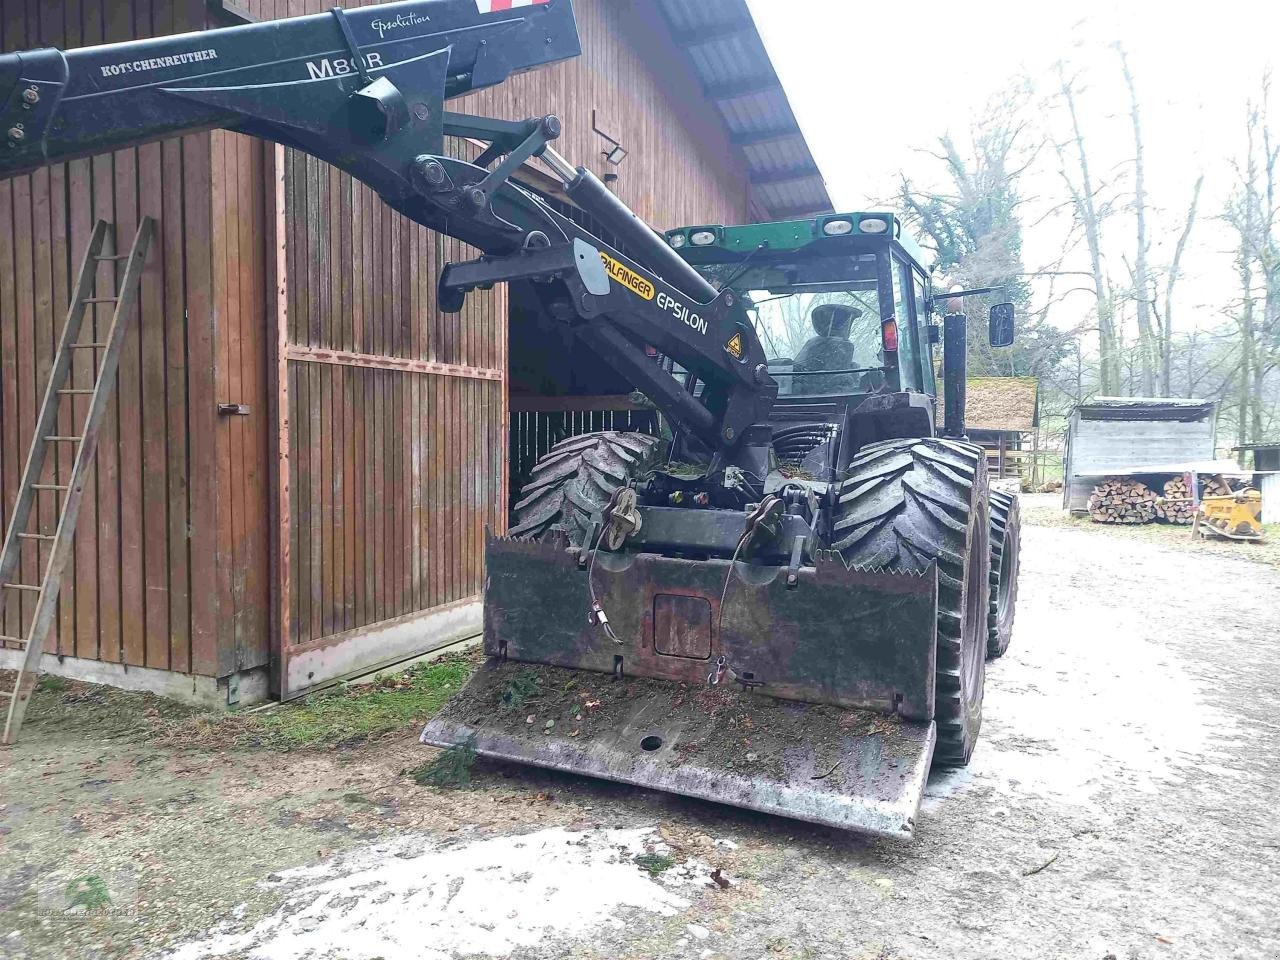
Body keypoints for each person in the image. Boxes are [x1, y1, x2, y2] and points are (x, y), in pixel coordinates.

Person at [792, 303, 863, 393]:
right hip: (825, 394)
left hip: (814, 395)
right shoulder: (845, 346)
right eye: (843, 321)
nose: (847, 324)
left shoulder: (812, 343)